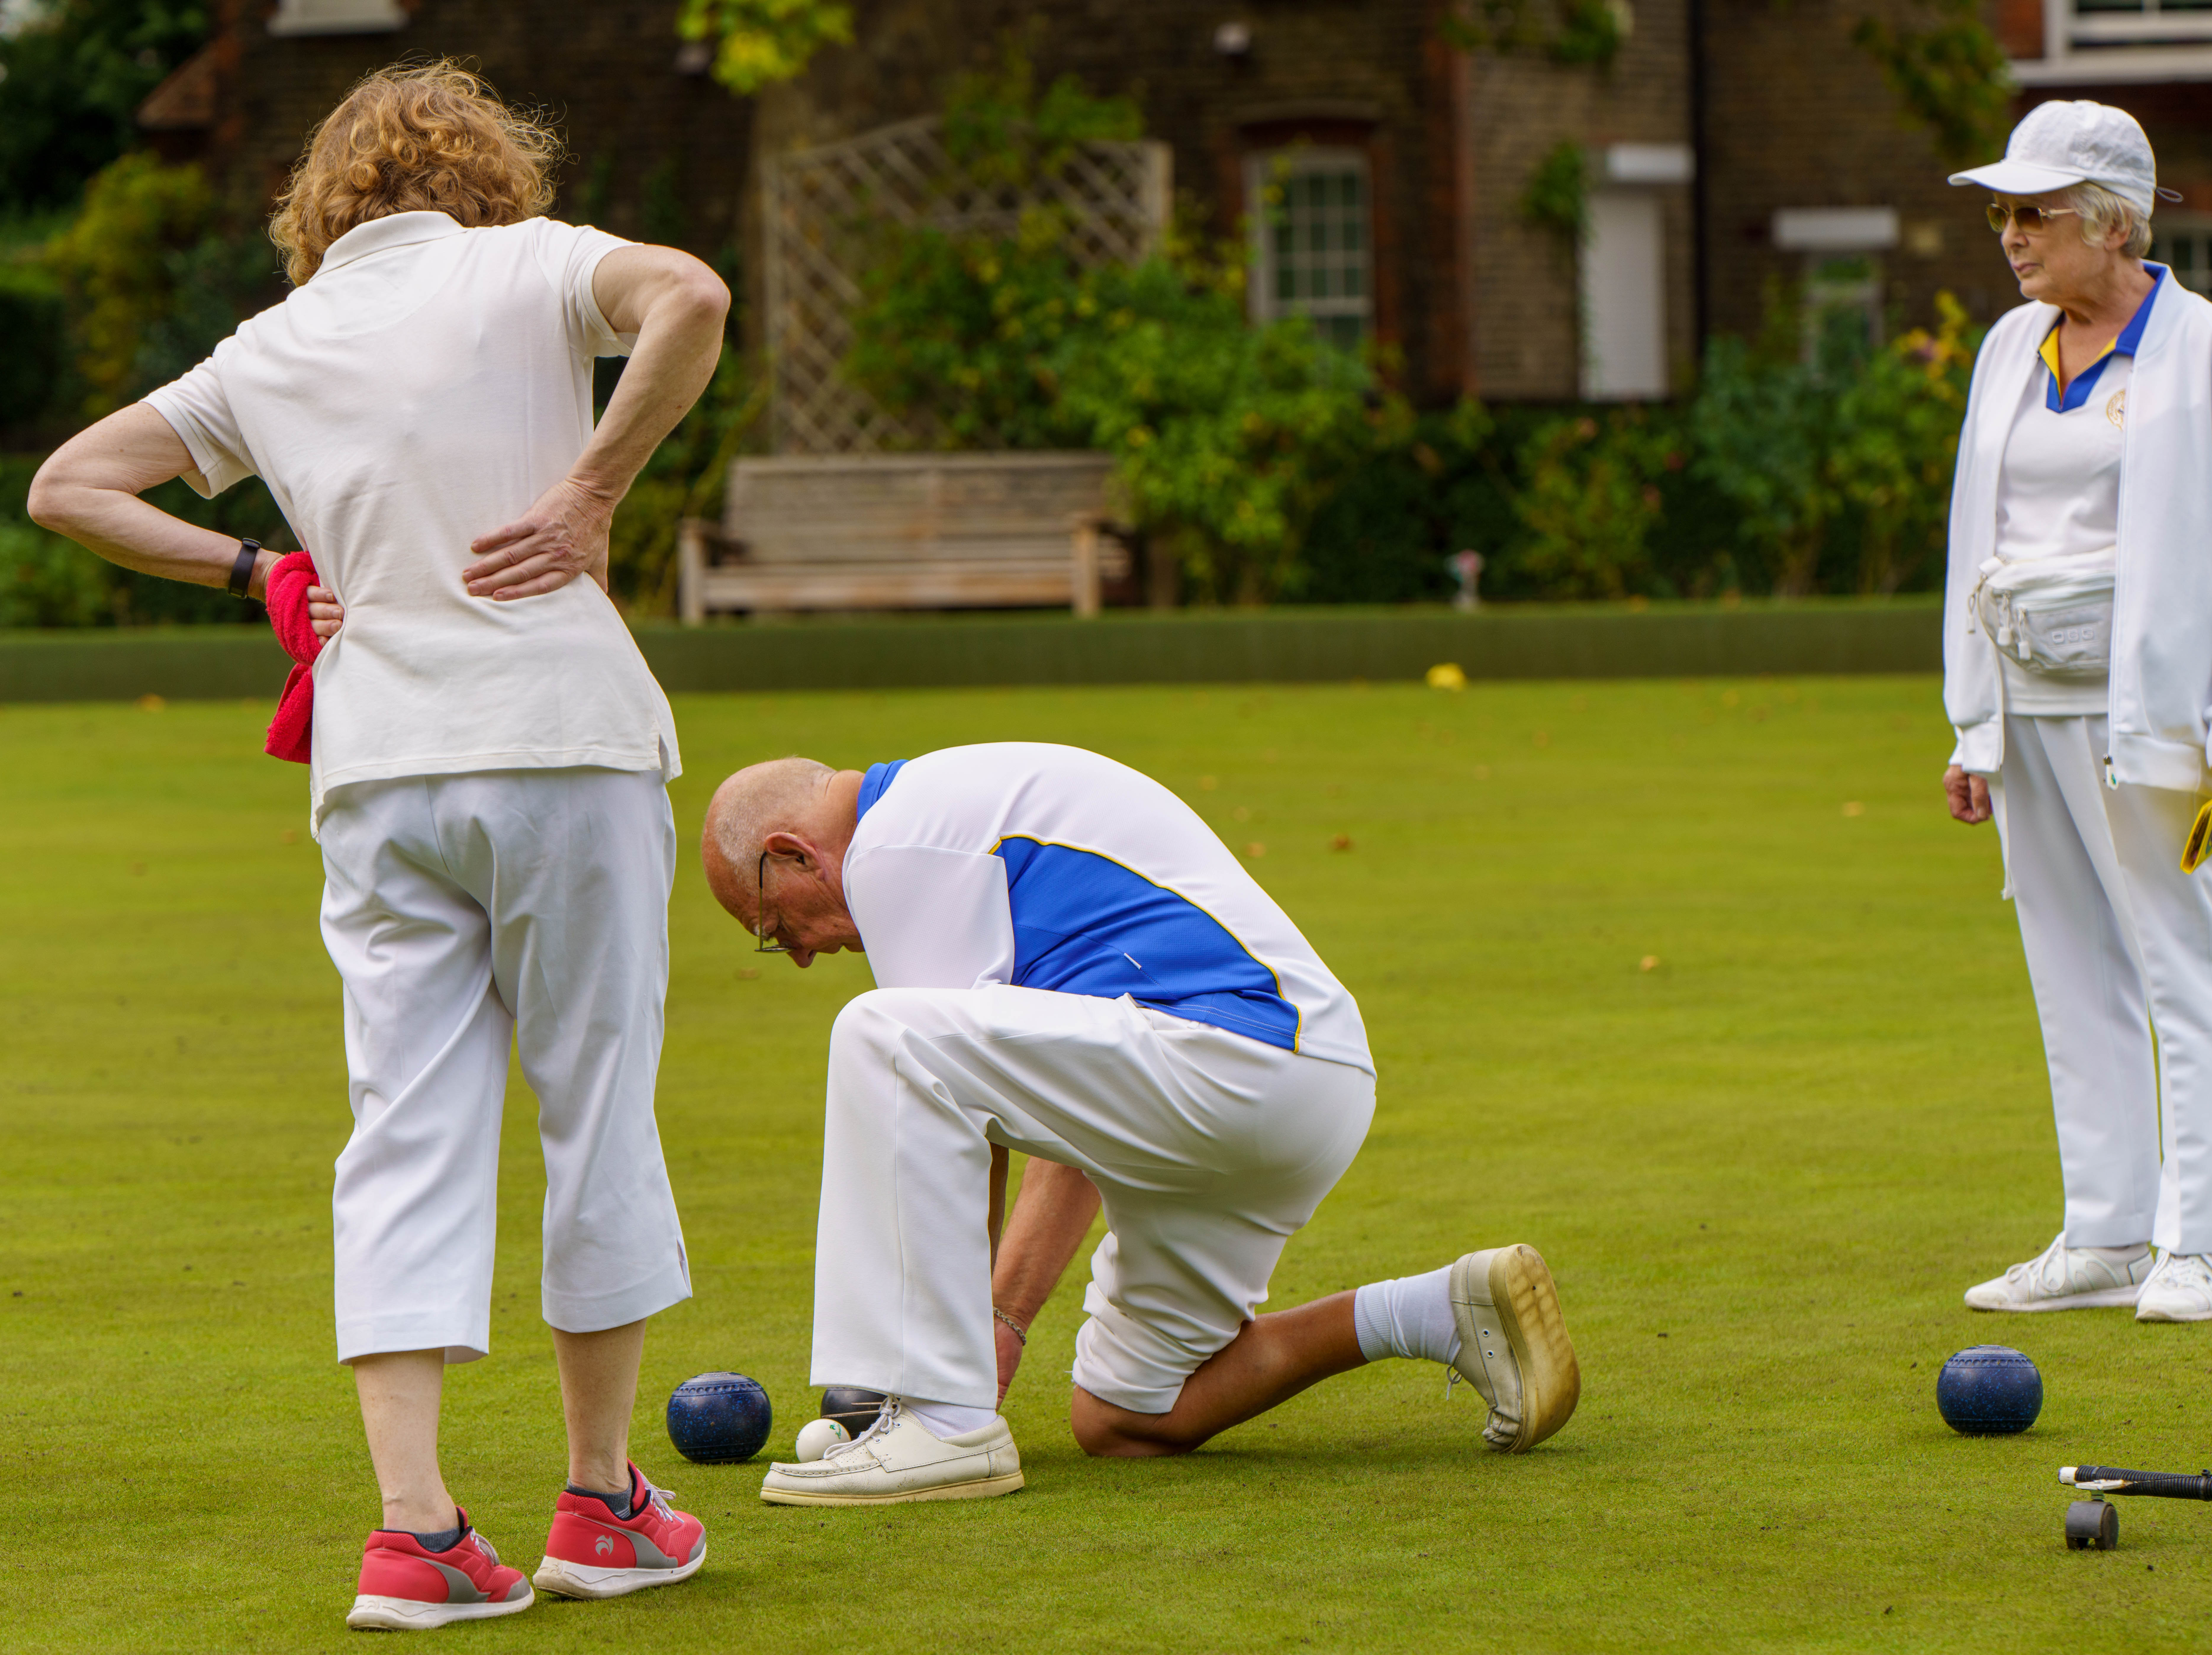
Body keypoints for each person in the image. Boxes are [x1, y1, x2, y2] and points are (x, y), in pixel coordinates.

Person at [29, 63, 730, 1628]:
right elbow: (689, 293)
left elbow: (70, 485)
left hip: (377, 773)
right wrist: (595, 489)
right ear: (489, 174)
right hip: (561, 739)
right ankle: (604, 1503)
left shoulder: (271, 344)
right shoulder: (531, 264)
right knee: (593, 1106)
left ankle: (415, 1533)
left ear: (324, 204)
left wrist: (260, 572)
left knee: (401, 1129)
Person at [698, 744, 1581, 1501]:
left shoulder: (900, 838)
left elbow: (973, 1114)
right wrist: (999, 1328)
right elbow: (1049, 1094)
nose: (804, 953)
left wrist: (944, 1384)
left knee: (881, 1036)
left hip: (1235, 1056)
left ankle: (939, 1425)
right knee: (1130, 1413)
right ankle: (1433, 1312)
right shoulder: (956, 810)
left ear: (792, 852)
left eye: (774, 927)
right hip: (1297, 1088)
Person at [1937, 102, 2212, 1324]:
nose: (2011, 234)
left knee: (2177, 957)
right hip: (2030, 713)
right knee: (2068, 963)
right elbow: (1974, 545)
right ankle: (2104, 1232)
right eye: (2004, 213)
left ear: (2112, 221)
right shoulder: (2010, 349)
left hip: (2152, 720)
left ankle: (2197, 1240)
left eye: (2034, 211)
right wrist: (1972, 728)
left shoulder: (2204, 350)